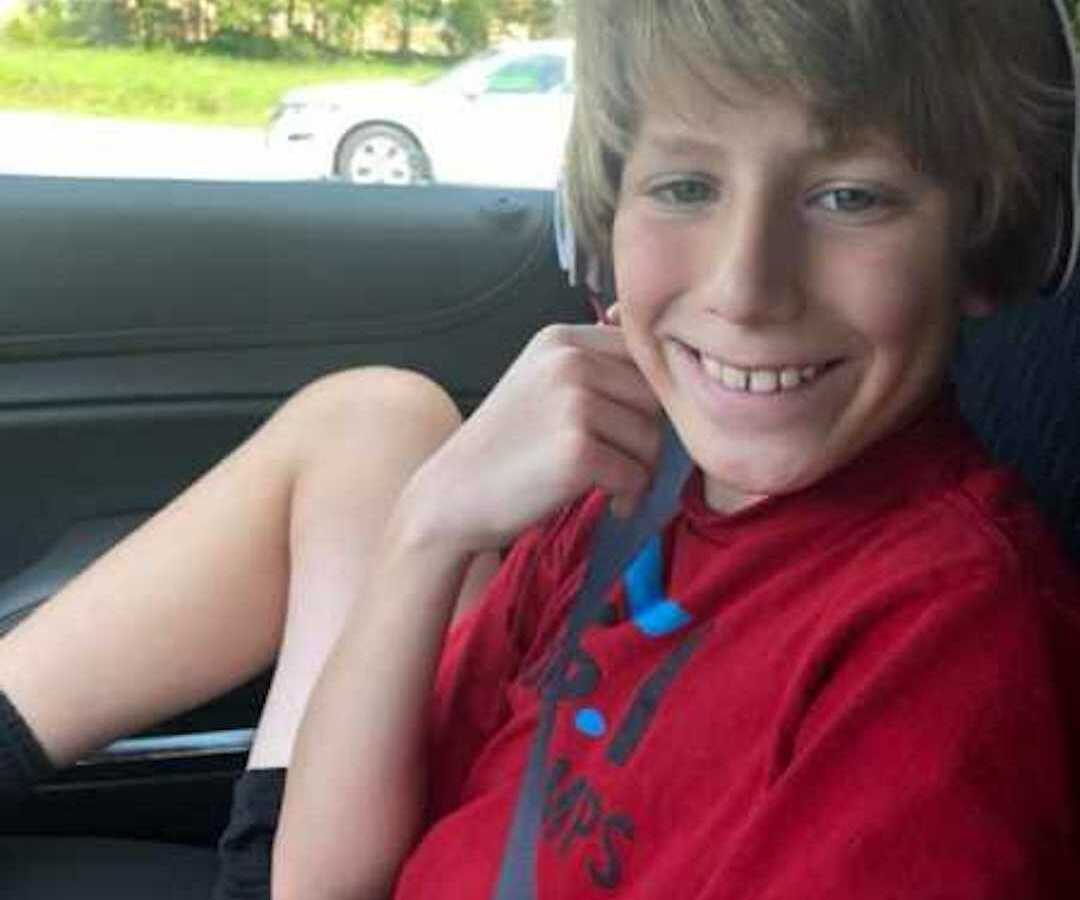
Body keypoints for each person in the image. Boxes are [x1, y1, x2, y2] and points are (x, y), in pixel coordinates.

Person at [3, 1, 1080, 898]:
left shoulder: (944, 666)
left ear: (991, 247)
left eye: (850, 197)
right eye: (686, 188)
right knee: (375, 419)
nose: (747, 288)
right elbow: (318, 877)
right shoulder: (629, 479)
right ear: (597, 223)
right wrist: (434, 524)